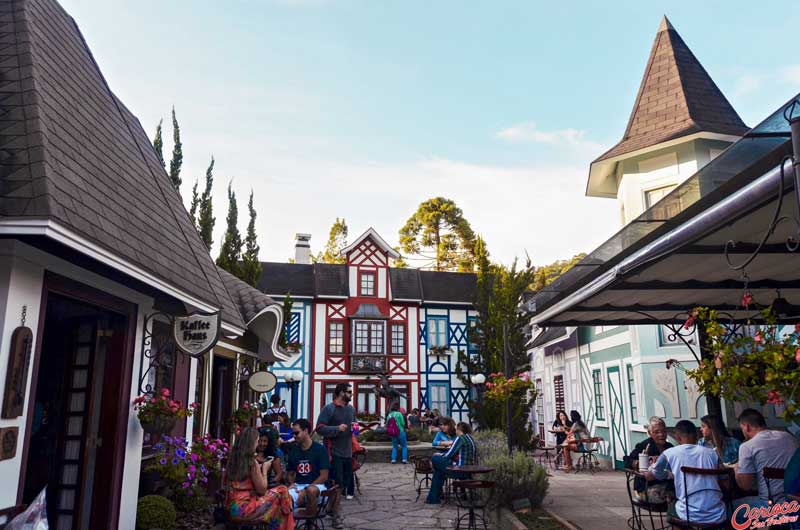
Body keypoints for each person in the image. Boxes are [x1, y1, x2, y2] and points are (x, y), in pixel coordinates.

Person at [646, 420, 726, 525]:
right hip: (718, 513)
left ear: (677, 437)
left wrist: (668, 474)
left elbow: (654, 474)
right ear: (697, 435)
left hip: (688, 514)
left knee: (671, 505)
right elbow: (725, 481)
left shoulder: (668, 453)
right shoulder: (712, 454)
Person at [225, 427, 294, 528]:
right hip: (245, 509)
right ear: (251, 443)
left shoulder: (232, 461)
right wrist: (264, 470)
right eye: (257, 441)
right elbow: (262, 490)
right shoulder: (252, 463)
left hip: (231, 509)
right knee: (283, 490)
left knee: (278, 507)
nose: (258, 444)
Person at [735, 408, 800, 507]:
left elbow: (745, 486)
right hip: (796, 499)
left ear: (747, 427)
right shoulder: (789, 437)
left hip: (772, 505)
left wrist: (736, 469)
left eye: (742, 428)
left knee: (731, 507)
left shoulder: (747, 446)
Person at [287, 419, 344, 529]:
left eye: (296, 433)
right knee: (284, 497)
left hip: (318, 486)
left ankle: (310, 525)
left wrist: (306, 489)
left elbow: (324, 476)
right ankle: (289, 525)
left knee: (311, 491)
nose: (294, 436)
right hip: (298, 486)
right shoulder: (294, 450)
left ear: (306, 431)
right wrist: (291, 483)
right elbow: (290, 473)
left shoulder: (319, 450)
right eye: (293, 433)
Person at [316, 383, 356, 501]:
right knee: (337, 477)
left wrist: (355, 428)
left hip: (348, 448)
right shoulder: (329, 409)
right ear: (341, 393)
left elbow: (355, 426)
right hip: (333, 449)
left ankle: (348, 492)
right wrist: (337, 428)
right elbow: (319, 428)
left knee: (349, 473)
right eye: (349, 392)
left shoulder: (351, 409)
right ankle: (335, 499)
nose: (351, 394)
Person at [426, 422, 477, 504]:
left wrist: (440, 455)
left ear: (459, 430)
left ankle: (434, 498)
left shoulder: (460, 438)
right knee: (438, 472)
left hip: (460, 471)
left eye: (456, 429)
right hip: (469, 471)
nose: (455, 430)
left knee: (435, 458)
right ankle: (433, 498)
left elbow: (449, 455)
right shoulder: (470, 438)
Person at [626, 416, 674, 501]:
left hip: (666, 484)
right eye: (656, 432)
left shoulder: (670, 447)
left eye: (663, 431)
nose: (661, 434)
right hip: (647, 486)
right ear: (650, 433)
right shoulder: (644, 446)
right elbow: (627, 460)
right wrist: (640, 463)